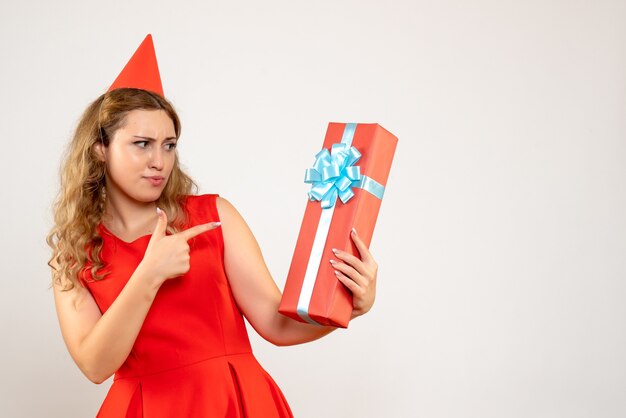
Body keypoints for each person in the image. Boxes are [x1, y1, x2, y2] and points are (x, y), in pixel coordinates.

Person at [47, 35, 378, 417]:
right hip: (147, 408)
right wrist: (149, 274)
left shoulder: (214, 217)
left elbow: (277, 324)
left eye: (168, 145)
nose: (159, 161)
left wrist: (349, 306)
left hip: (234, 401)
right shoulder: (74, 254)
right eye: (142, 143)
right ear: (99, 148)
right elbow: (95, 365)